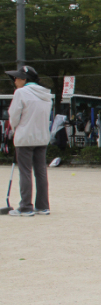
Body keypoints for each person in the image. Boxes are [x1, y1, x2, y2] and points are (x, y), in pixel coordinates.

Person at [6, 65, 52, 216]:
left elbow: (13, 116)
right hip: (42, 138)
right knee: (41, 172)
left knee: (25, 172)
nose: (15, 81)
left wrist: (14, 130)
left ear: (24, 79)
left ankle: (26, 207)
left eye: (16, 78)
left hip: (25, 138)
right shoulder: (46, 94)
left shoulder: (21, 92)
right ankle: (43, 206)